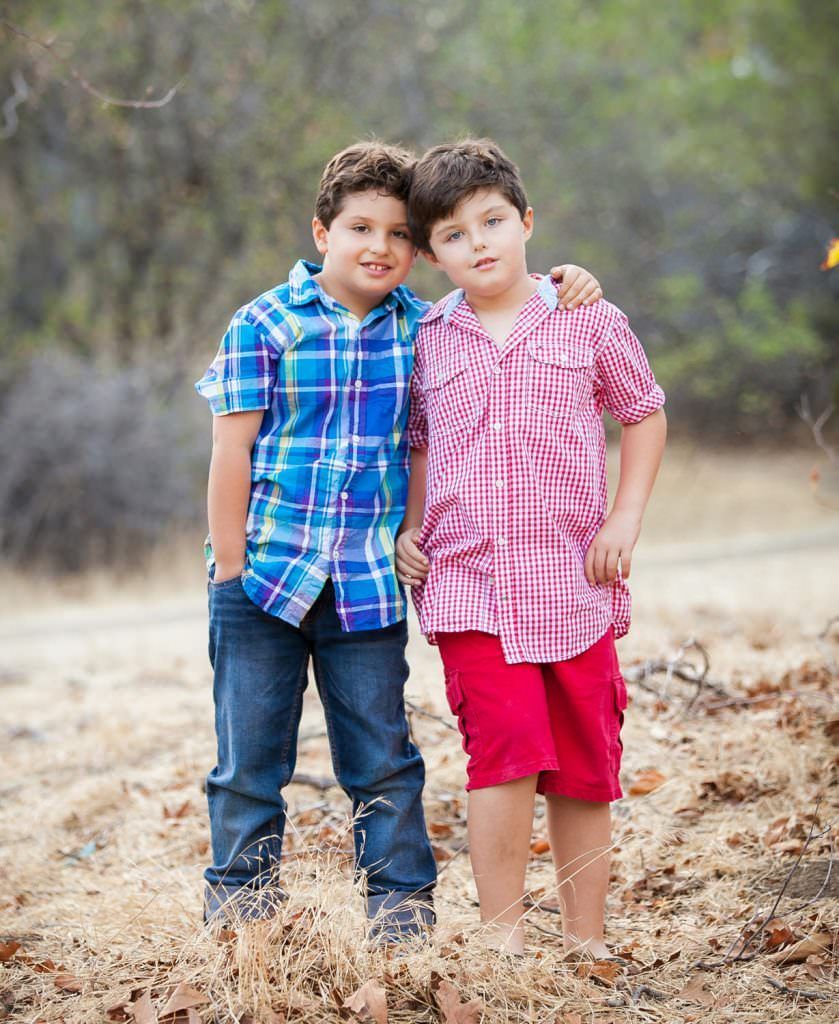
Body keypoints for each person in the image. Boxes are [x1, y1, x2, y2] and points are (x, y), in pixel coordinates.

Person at [194, 140, 604, 941]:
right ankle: (240, 920)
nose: (378, 247)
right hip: (264, 580)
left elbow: (501, 304)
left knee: (382, 758)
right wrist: (229, 568)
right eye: (359, 228)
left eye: (397, 235)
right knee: (248, 765)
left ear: (418, 251)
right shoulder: (265, 323)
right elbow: (230, 450)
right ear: (322, 233)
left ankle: (401, 919)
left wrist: (567, 280)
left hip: (365, 587)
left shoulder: (428, 327)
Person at [396, 139, 666, 957]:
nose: (478, 243)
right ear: (430, 254)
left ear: (526, 223)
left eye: (492, 221)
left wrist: (624, 520)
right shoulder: (427, 338)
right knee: (502, 756)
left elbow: (643, 412)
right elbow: (419, 443)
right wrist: (410, 528)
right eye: (452, 234)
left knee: (585, 764)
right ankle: (502, 941)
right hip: (469, 584)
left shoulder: (587, 315)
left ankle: (586, 940)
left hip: (573, 581)